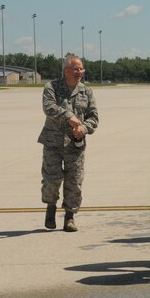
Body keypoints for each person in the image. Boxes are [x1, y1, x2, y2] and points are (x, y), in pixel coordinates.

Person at [38, 56, 99, 232]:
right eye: (76, 69)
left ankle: (70, 217)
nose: (80, 72)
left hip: (75, 145)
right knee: (52, 179)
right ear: (66, 70)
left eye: (81, 69)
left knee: (75, 182)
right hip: (53, 142)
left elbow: (94, 117)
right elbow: (48, 106)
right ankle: (50, 207)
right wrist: (68, 116)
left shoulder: (86, 92)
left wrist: (84, 128)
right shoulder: (52, 87)